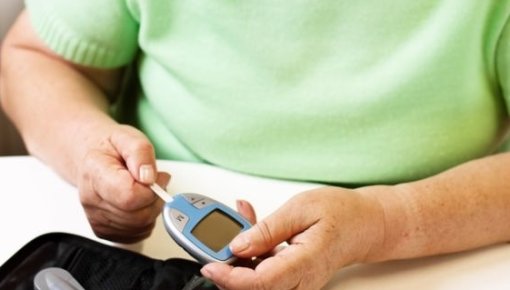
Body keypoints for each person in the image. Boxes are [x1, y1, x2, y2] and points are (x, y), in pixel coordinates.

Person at [1, 1, 510, 289]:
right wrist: (86, 144)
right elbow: (35, 58)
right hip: (155, 253)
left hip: (419, 260)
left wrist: (387, 219)